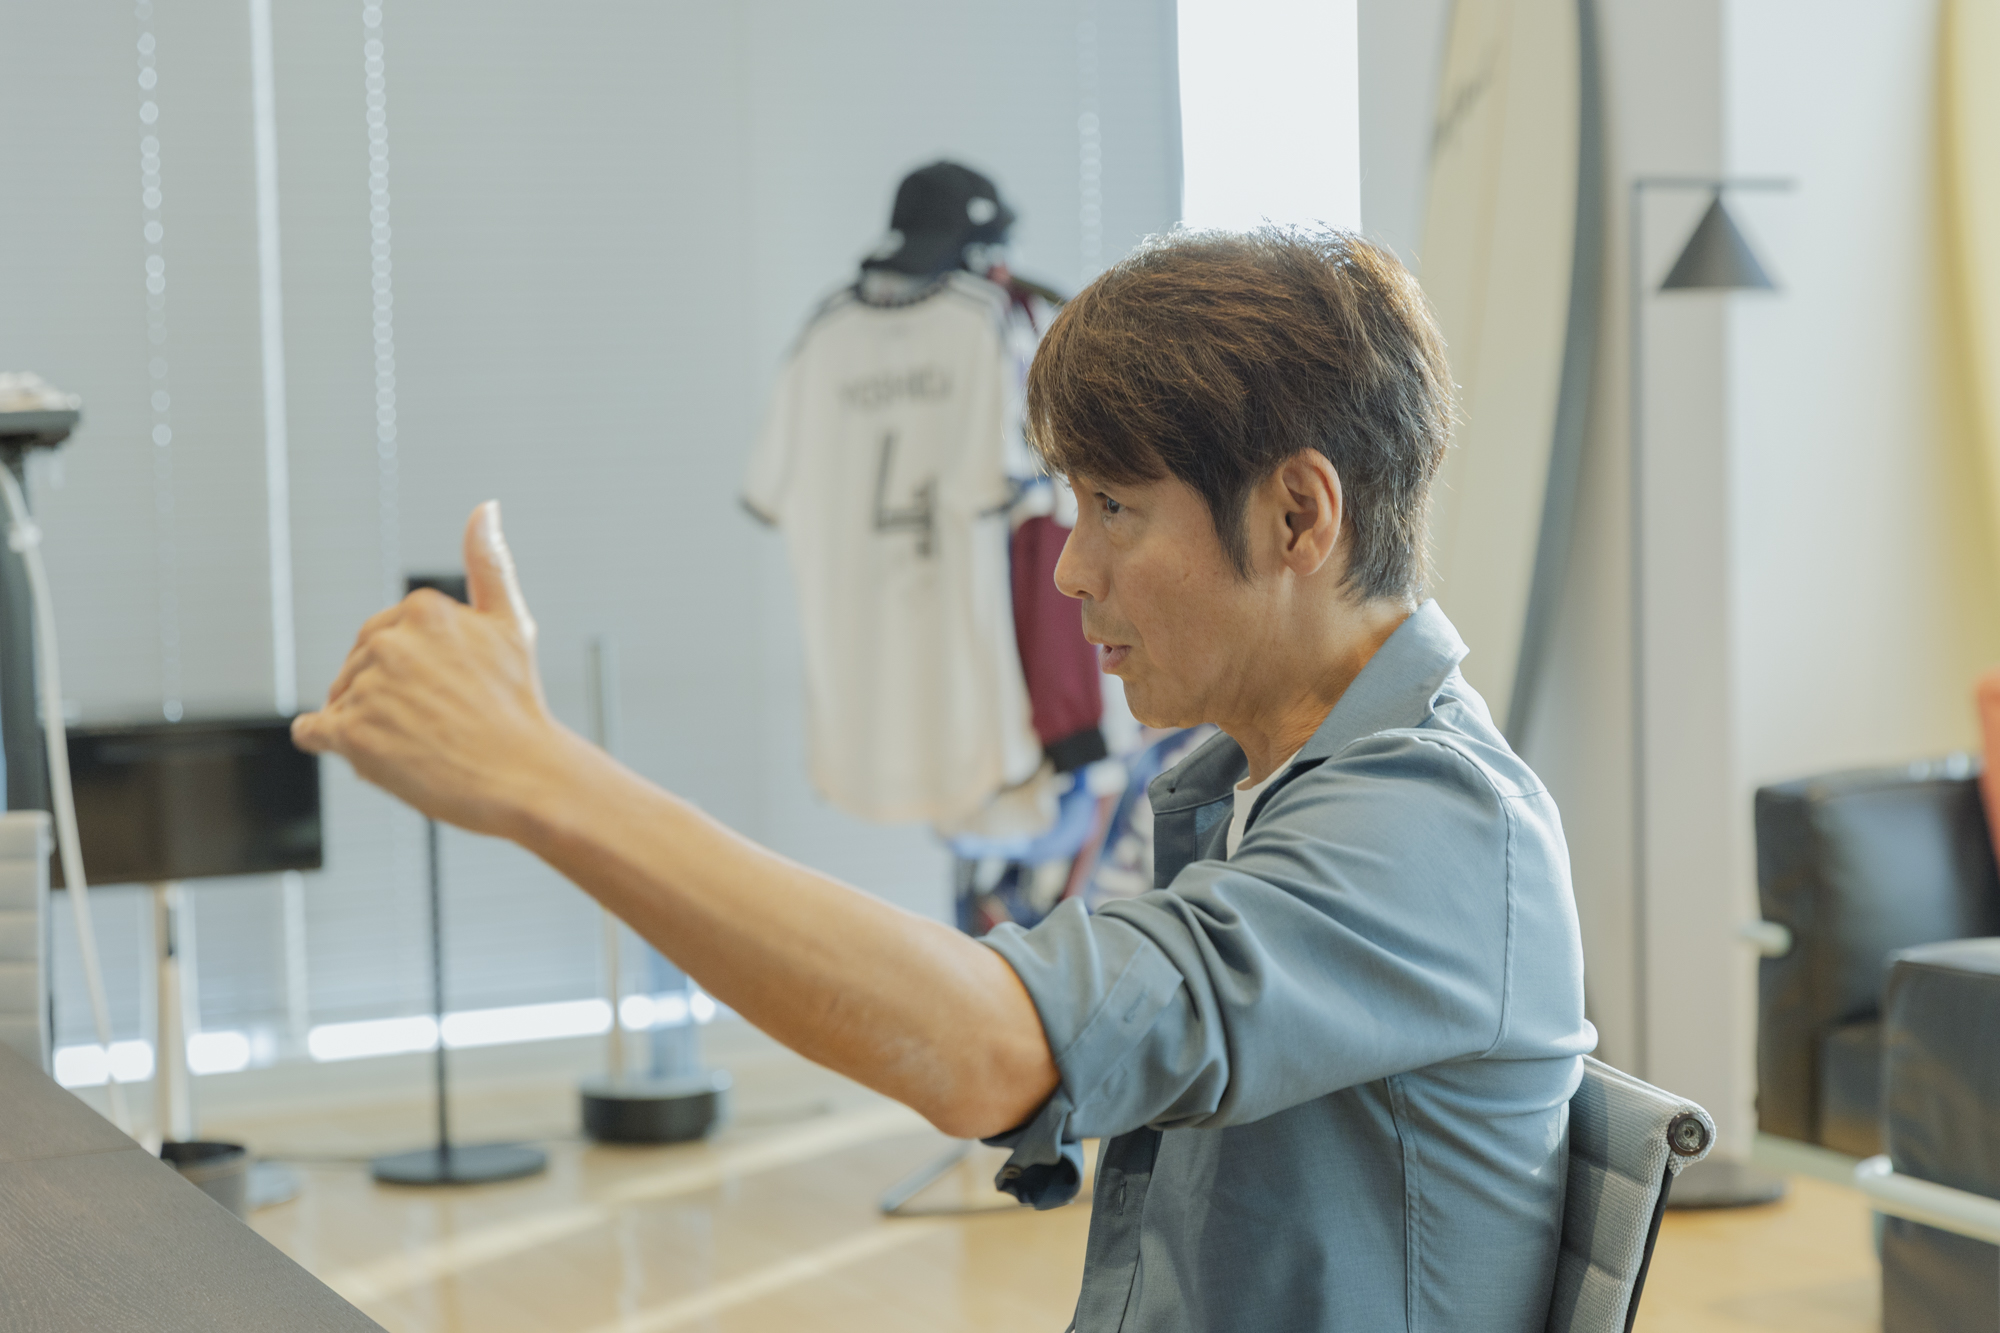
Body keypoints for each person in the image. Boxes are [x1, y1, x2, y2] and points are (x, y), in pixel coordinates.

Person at [294, 227, 1595, 1332]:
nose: (1071, 569)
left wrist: (539, 776)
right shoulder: (1265, 790)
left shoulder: (1436, 825)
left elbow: (992, 1050)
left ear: (1299, 516)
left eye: (1114, 508)